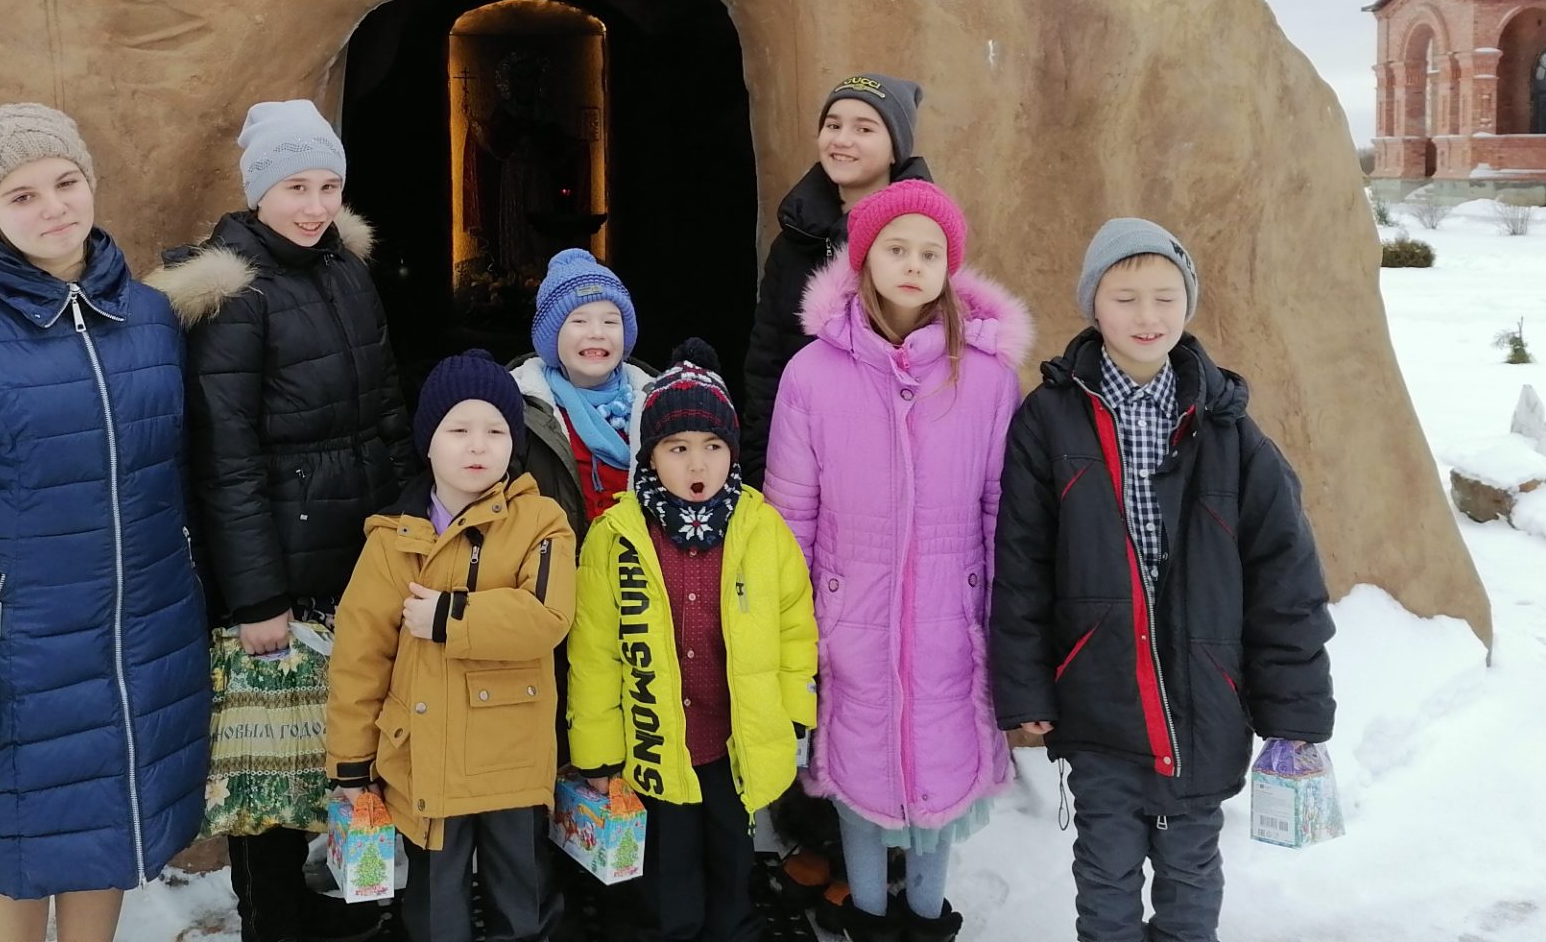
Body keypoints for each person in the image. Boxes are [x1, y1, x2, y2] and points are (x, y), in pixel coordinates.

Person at [0, 104, 210, 942]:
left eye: (66, 181)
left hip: (140, 655)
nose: (54, 207)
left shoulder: (150, 320)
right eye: (21, 196)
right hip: (17, 673)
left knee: (106, 847)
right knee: (16, 863)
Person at [990, 219, 1336, 942]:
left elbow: (1285, 579)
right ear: (1093, 306)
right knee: (1106, 874)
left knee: (1190, 873)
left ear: (1188, 304)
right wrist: (1027, 686)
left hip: (1203, 702)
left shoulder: (1230, 431)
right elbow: (1022, 563)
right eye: (1125, 299)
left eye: (1164, 297)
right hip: (1098, 699)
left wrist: (1294, 709)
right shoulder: (1049, 419)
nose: (1147, 316)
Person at [148, 98, 414, 942]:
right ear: (258, 190)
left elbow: (387, 410)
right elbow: (224, 462)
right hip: (282, 569)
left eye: (329, 186)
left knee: (346, 741)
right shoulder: (234, 296)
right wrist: (257, 597)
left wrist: (408, 529)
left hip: (357, 556)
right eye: (296, 186)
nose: (315, 205)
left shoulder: (346, 270)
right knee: (271, 761)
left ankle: (343, 905)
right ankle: (275, 921)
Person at [766, 179, 1031, 941]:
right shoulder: (811, 373)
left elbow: (1003, 509)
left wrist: (1003, 618)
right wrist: (794, 626)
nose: (913, 265)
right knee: (857, 771)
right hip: (848, 614)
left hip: (953, 616)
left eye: (931, 253)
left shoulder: (986, 377)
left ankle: (925, 914)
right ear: (863, 257)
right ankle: (868, 918)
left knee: (942, 773)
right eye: (896, 249)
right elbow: (791, 515)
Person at [569, 340, 818, 942]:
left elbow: (794, 629)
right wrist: (597, 752)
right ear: (650, 455)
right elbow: (594, 654)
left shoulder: (762, 530)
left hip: (736, 740)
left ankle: (732, 928)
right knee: (667, 868)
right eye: (678, 448)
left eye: (712, 446)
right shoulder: (617, 536)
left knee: (732, 858)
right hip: (655, 747)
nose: (697, 464)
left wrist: (792, 713)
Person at [326, 350, 577, 942]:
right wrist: (351, 764)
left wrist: (448, 615)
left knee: (522, 900)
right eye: (458, 430)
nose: (477, 446)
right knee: (437, 908)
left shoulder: (541, 521)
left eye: (495, 431)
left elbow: (547, 616)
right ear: (428, 442)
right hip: (427, 756)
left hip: (511, 756)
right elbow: (360, 658)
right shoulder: (394, 538)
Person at [740, 73, 931, 488]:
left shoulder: (920, 239)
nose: (842, 140)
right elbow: (766, 363)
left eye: (864, 129)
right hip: (799, 460)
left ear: (895, 148)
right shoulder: (794, 242)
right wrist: (760, 468)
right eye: (833, 125)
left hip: (888, 469)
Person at [510, 249, 654, 541]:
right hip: (556, 560)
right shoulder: (524, 408)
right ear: (552, 337)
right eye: (579, 321)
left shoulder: (658, 400)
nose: (597, 333)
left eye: (610, 322)